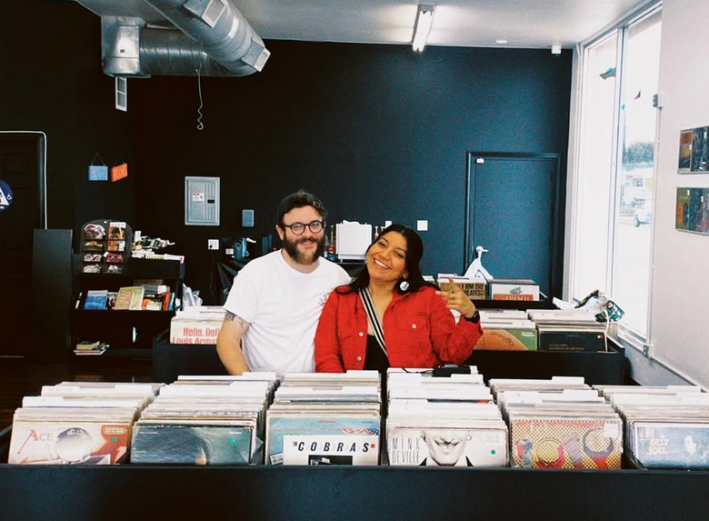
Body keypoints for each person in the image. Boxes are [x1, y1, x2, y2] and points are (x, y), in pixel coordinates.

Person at [314, 223, 482, 372]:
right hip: (358, 399)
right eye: (381, 244)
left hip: (413, 399)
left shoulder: (428, 298)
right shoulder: (341, 298)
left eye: (398, 255)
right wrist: (345, 395)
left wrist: (470, 315)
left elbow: (451, 355)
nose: (384, 255)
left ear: (406, 270)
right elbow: (327, 357)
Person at [216, 190, 351, 375]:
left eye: (314, 225)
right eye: (297, 226)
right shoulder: (256, 274)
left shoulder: (338, 277)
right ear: (281, 231)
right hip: (266, 392)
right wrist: (252, 388)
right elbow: (227, 340)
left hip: (319, 393)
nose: (307, 234)